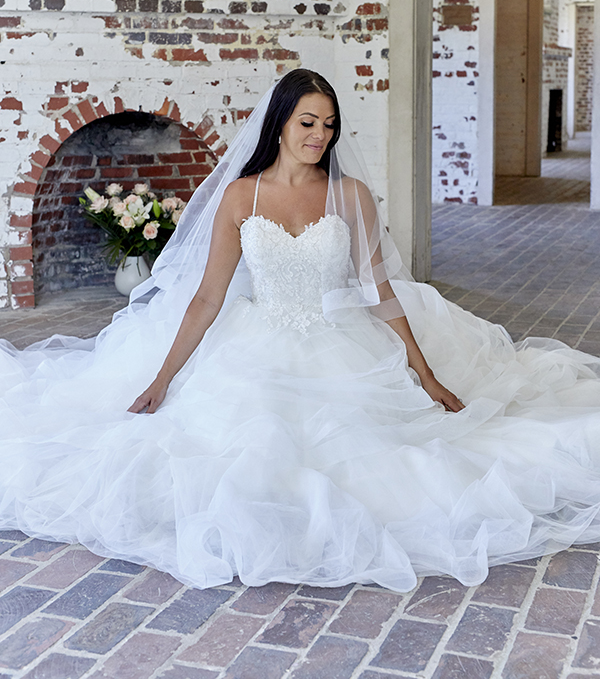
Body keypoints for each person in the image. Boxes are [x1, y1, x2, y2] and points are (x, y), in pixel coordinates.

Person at [0, 68, 600, 593]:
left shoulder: (350, 196)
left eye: (330, 125)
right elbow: (208, 296)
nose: (320, 136)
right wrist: (163, 379)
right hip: (254, 345)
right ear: (280, 123)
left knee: (387, 457)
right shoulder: (240, 195)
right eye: (308, 121)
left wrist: (427, 374)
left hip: (342, 342)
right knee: (241, 449)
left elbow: (379, 293)